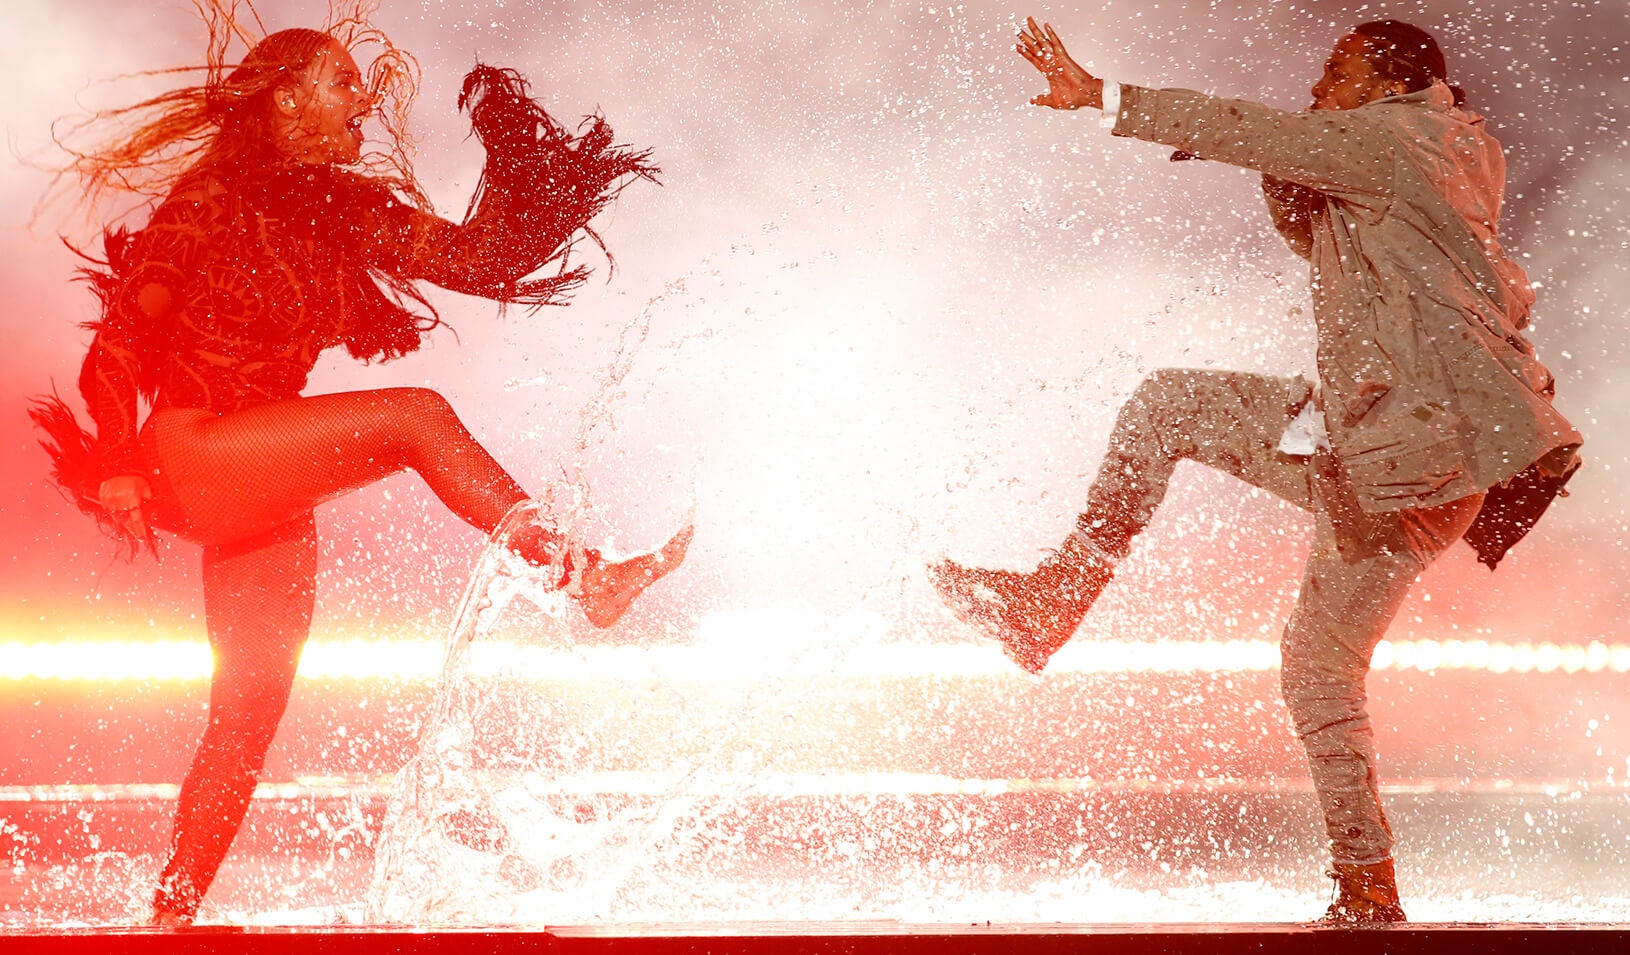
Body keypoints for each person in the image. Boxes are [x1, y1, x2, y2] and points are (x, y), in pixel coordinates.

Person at [31, 19, 690, 926]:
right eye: (342, 83)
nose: (365, 99)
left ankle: (167, 921)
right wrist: (113, 464)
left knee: (247, 718)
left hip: (258, 486)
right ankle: (582, 577)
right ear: (286, 97)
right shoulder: (209, 200)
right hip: (196, 451)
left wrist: (519, 154)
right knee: (415, 417)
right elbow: (120, 341)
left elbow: (475, 259)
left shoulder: (340, 206)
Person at [931, 18, 1581, 923]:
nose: (1319, 81)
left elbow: (1252, 128)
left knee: (1317, 673)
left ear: (1387, 82)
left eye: (1335, 69)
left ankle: (1366, 885)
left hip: (1408, 463)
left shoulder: (1395, 141)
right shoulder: (1443, 152)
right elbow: (1325, 247)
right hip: (1384, 437)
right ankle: (1054, 598)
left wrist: (1105, 98)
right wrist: (1285, 168)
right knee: (1169, 407)